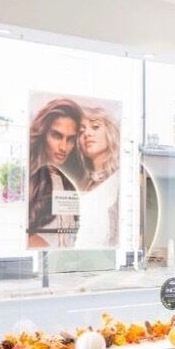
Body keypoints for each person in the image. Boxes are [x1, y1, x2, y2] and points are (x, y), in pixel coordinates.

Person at [27, 98, 84, 249]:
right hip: (43, 261)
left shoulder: (70, 183)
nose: (63, 147)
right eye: (57, 136)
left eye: (70, 139)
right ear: (43, 134)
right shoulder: (31, 179)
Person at [75, 106, 121, 249]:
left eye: (95, 127)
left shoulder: (119, 179)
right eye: (81, 131)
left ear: (110, 132)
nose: (87, 134)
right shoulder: (82, 182)